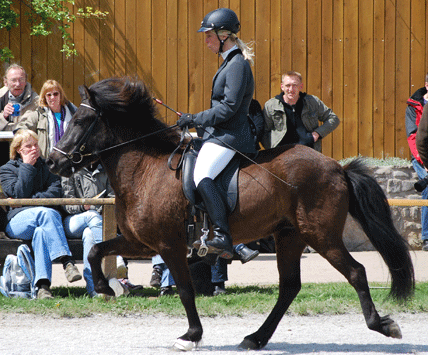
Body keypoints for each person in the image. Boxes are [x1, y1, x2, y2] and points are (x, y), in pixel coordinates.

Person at [177, 8, 256, 259]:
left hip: (230, 136)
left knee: (202, 174)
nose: (206, 41)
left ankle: (223, 235)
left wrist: (195, 118)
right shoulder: (230, 62)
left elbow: (229, 107)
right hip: (219, 133)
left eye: (209, 35)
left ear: (224, 35)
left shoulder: (236, 64)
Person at [0, 129, 82, 299]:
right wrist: (27, 166)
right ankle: (67, 261)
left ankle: (43, 287)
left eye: (36, 145)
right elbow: (18, 193)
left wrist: (28, 200)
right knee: (46, 213)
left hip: (44, 220)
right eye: (28, 146)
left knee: (41, 230)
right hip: (17, 222)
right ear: (18, 150)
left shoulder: (48, 167)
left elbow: (55, 193)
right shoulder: (6, 170)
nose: (34, 149)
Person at [262, 71, 340, 152]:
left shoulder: (313, 102)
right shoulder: (271, 105)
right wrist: (273, 150)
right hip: (281, 155)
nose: (291, 89)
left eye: (295, 85)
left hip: (309, 153)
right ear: (282, 86)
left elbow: (333, 119)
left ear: (301, 86)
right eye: (287, 85)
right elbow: (264, 132)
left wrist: (317, 134)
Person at [16, 79, 77, 159]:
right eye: (49, 95)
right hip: (47, 163)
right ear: (44, 97)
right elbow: (21, 129)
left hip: (69, 162)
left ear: (60, 95)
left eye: (55, 94)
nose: (52, 97)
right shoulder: (38, 115)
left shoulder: (73, 113)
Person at [406, 74, 428, 252]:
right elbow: (413, 137)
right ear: (427, 85)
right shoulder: (414, 106)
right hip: (422, 157)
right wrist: (424, 162)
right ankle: (427, 237)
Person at [0, 64, 39, 132]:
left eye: (21, 80)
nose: (18, 84)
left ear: (26, 82)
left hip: (26, 141)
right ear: (5, 82)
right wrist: (3, 116)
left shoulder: (36, 101)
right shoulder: (1, 97)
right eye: (13, 80)